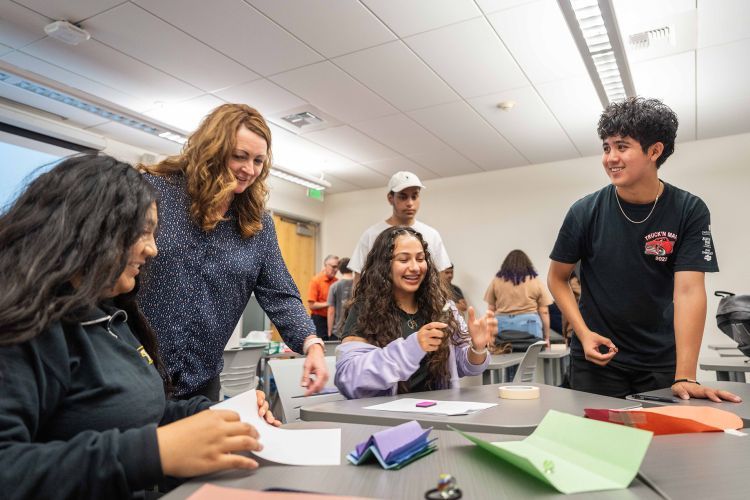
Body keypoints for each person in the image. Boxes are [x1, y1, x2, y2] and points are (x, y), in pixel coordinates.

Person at [0, 154, 280, 499]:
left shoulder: (109, 317)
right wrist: (153, 452)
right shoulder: (23, 330)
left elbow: (135, 412)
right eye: (144, 232)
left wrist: (223, 414)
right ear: (92, 230)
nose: (153, 249)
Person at [548, 97, 740, 402]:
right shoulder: (584, 211)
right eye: (606, 147)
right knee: (596, 445)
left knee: (660, 446)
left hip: (660, 360)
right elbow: (557, 278)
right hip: (598, 358)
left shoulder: (688, 210)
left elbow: (689, 291)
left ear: (655, 151)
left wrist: (686, 374)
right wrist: (582, 334)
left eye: (622, 146)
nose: (611, 157)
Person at [138, 103, 328, 401]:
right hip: (135, 373)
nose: (249, 169)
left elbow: (281, 294)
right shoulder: (153, 193)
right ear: (211, 149)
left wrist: (312, 343)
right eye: (239, 156)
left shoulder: (257, 224)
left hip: (200, 383)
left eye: (258, 161)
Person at [334, 226, 493, 399]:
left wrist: (477, 348)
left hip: (437, 413)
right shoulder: (365, 309)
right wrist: (413, 347)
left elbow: (462, 366)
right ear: (384, 265)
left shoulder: (441, 306)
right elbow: (348, 378)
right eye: (403, 260)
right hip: (388, 420)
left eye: (420, 258)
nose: (415, 267)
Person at [348, 171, 451, 286]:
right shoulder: (372, 234)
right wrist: (356, 303)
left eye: (414, 196)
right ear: (390, 198)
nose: (410, 203)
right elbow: (358, 277)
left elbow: (441, 275)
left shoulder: (431, 234)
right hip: (379, 302)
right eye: (403, 197)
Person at [484, 250, 553, 347]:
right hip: (530, 325)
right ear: (527, 264)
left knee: (504, 358)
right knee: (531, 359)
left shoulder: (496, 281)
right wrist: (547, 337)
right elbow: (544, 311)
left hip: (502, 327)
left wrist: (489, 335)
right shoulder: (535, 281)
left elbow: (490, 310)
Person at [308, 255, 339, 340]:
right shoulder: (316, 281)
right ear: (325, 265)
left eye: (337, 267)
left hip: (334, 320)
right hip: (319, 320)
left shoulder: (337, 282)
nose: (336, 270)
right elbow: (311, 305)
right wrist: (329, 303)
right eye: (333, 267)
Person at [327, 257, 354, 339]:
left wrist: (329, 331)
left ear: (339, 269)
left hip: (338, 331)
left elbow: (331, 311)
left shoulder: (334, 286)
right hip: (355, 330)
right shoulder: (360, 285)